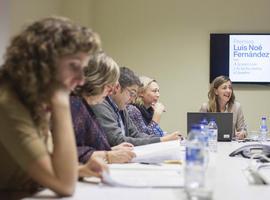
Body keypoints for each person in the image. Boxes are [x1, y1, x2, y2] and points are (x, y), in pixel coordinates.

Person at [0, 17, 107, 196]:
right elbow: (65, 186)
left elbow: (46, 167)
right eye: (74, 66)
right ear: (42, 63)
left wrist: (80, 169)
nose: (81, 79)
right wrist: (61, 100)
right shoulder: (6, 102)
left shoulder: (32, 99)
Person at [70, 52, 136, 164]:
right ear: (96, 81)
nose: (111, 92)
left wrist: (111, 150)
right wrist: (108, 155)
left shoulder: (84, 105)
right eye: (109, 86)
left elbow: (89, 146)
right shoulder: (74, 104)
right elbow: (67, 153)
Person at [92, 67, 180, 147]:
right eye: (131, 93)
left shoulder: (122, 108)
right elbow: (118, 140)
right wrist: (162, 140)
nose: (132, 99)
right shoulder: (101, 104)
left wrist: (164, 139)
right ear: (117, 87)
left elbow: (136, 135)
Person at [199, 75, 247, 139]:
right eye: (224, 88)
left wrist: (242, 134)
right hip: (211, 145)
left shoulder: (237, 107)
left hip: (230, 145)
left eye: (230, 88)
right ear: (216, 91)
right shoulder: (206, 107)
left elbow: (243, 130)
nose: (228, 91)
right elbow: (199, 131)